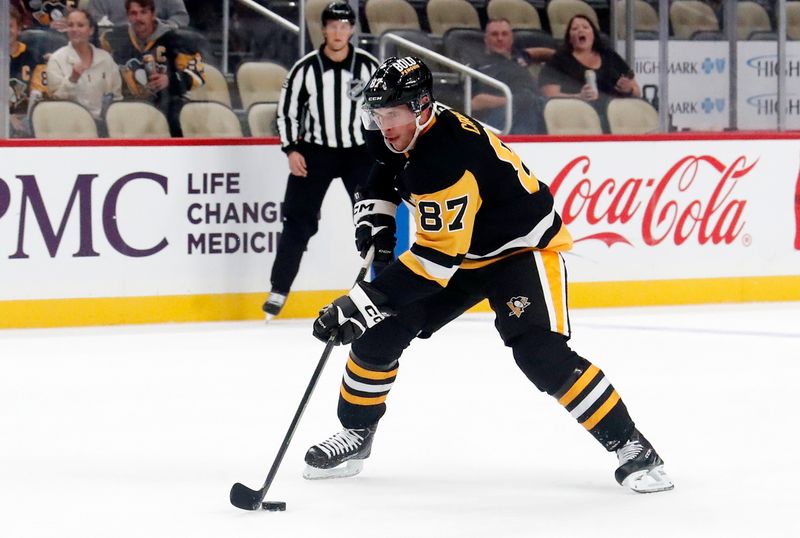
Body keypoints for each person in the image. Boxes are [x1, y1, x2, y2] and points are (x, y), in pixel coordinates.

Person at [304, 56, 674, 494]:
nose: (384, 125)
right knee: (380, 332)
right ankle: (357, 433)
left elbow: (434, 263)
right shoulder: (402, 132)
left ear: (422, 107)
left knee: (539, 353)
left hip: (520, 249)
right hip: (461, 250)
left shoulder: (444, 158)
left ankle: (632, 445)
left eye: (393, 114)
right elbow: (383, 172)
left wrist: (361, 303)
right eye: (378, 114)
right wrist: (376, 219)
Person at [262, 1, 381, 320]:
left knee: (377, 218)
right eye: (333, 26)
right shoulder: (304, 69)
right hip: (316, 152)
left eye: (344, 26)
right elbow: (286, 112)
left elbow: (385, 110)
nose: (339, 32)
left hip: (359, 152)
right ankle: (279, 288)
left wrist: (382, 151)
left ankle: (385, 289)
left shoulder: (369, 67)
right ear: (324, 29)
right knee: (298, 220)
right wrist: (291, 149)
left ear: (352, 30)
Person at [100, 0, 204, 136]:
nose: (138, 18)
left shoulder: (176, 39)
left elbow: (198, 76)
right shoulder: (113, 38)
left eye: (143, 12)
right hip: (128, 109)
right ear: (128, 16)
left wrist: (170, 80)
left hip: (167, 109)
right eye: (133, 13)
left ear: (153, 14)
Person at [470, 18, 553, 134]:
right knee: (528, 109)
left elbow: (539, 53)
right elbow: (475, 103)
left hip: (535, 107)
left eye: (504, 34)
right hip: (504, 116)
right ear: (486, 40)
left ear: (511, 39)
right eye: (494, 34)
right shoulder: (480, 65)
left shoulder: (518, 57)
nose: (500, 38)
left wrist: (561, 56)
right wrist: (514, 100)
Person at [539, 15, 640, 102]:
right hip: (580, 112)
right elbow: (549, 94)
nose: (581, 30)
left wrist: (629, 90)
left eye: (586, 27)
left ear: (593, 35)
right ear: (569, 38)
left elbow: (637, 91)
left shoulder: (608, 54)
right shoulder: (560, 59)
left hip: (616, 110)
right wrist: (578, 97)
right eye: (575, 29)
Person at [47, 9, 122, 121]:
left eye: (80, 25)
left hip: (104, 125)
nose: (75, 29)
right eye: (71, 25)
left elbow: (117, 98)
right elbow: (54, 101)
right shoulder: (56, 59)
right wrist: (72, 80)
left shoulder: (106, 59)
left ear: (91, 30)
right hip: (70, 125)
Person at [9, 5, 47, 137]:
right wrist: (5, 116)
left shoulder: (35, 57)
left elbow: (39, 95)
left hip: (26, 118)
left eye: (10, 26)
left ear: (19, 29)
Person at [89, 0, 189, 28]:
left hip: (157, 45)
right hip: (115, 47)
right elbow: (93, 21)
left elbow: (181, 16)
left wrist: (163, 27)